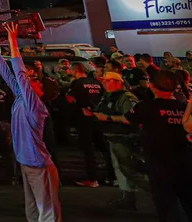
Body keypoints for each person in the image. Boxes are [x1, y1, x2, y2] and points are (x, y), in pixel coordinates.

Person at [0, 24, 61, 222]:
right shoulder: (21, 98)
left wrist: (12, 39)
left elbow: (19, 73)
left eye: (34, 80)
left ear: (42, 91)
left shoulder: (35, 105)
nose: (29, 80)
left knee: (47, 212)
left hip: (38, 163)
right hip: (26, 162)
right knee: (32, 211)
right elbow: (7, 72)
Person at [119, 69, 192, 221]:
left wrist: (104, 117)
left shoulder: (146, 106)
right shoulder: (184, 107)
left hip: (159, 162)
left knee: (166, 203)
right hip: (185, 159)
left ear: (152, 86)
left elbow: (128, 119)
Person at [91, 71, 141, 211]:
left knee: (130, 170)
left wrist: (106, 118)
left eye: (107, 80)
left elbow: (132, 119)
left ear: (118, 82)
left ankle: (161, 194)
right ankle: (128, 197)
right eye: (103, 81)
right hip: (113, 137)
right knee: (120, 168)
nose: (103, 83)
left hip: (125, 138)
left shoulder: (126, 97)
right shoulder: (108, 96)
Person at [65, 62, 113, 187]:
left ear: (75, 71)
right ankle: (112, 177)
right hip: (98, 117)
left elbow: (69, 99)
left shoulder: (77, 83)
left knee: (88, 149)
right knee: (104, 147)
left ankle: (92, 179)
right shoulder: (96, 82)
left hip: (84, 118)